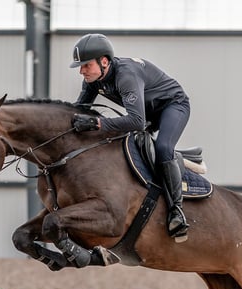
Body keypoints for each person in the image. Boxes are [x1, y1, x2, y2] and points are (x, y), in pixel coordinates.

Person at [69, 33, 190, 241]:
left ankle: (176, 211)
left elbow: (136, 122)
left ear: (104, 61)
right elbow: (79, 112)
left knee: (163, 148)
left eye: (86, 65)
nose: (81, 71)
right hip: (147, 113)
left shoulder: (126, 75)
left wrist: (98, 123)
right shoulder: (92, 81)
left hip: (173, 106)